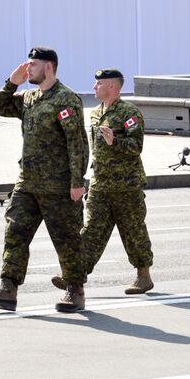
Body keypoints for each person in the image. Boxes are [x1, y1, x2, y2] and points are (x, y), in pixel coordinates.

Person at [0, 48, 90, 313]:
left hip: (58, 186)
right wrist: (12, 82)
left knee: (67, 238)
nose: (28, 69)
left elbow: (77, 144)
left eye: (33, 65)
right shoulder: (29, 97)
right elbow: (0, 107)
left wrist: (77, 182)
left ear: (49, 67)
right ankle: (8, 289)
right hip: (27, 183)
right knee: (15, 233)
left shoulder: (66, 99)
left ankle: (75, 290)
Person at [71, 68, 154, 295]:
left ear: (112, 87)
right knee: (91, 231)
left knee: (133, 231)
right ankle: (75, 277)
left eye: (98, 84)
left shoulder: (129, 113)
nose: (94, 88)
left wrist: (115, 141)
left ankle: (143, 276)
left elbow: (136, 147)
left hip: (126, 185)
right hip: (100, 185)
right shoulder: (96, 113)